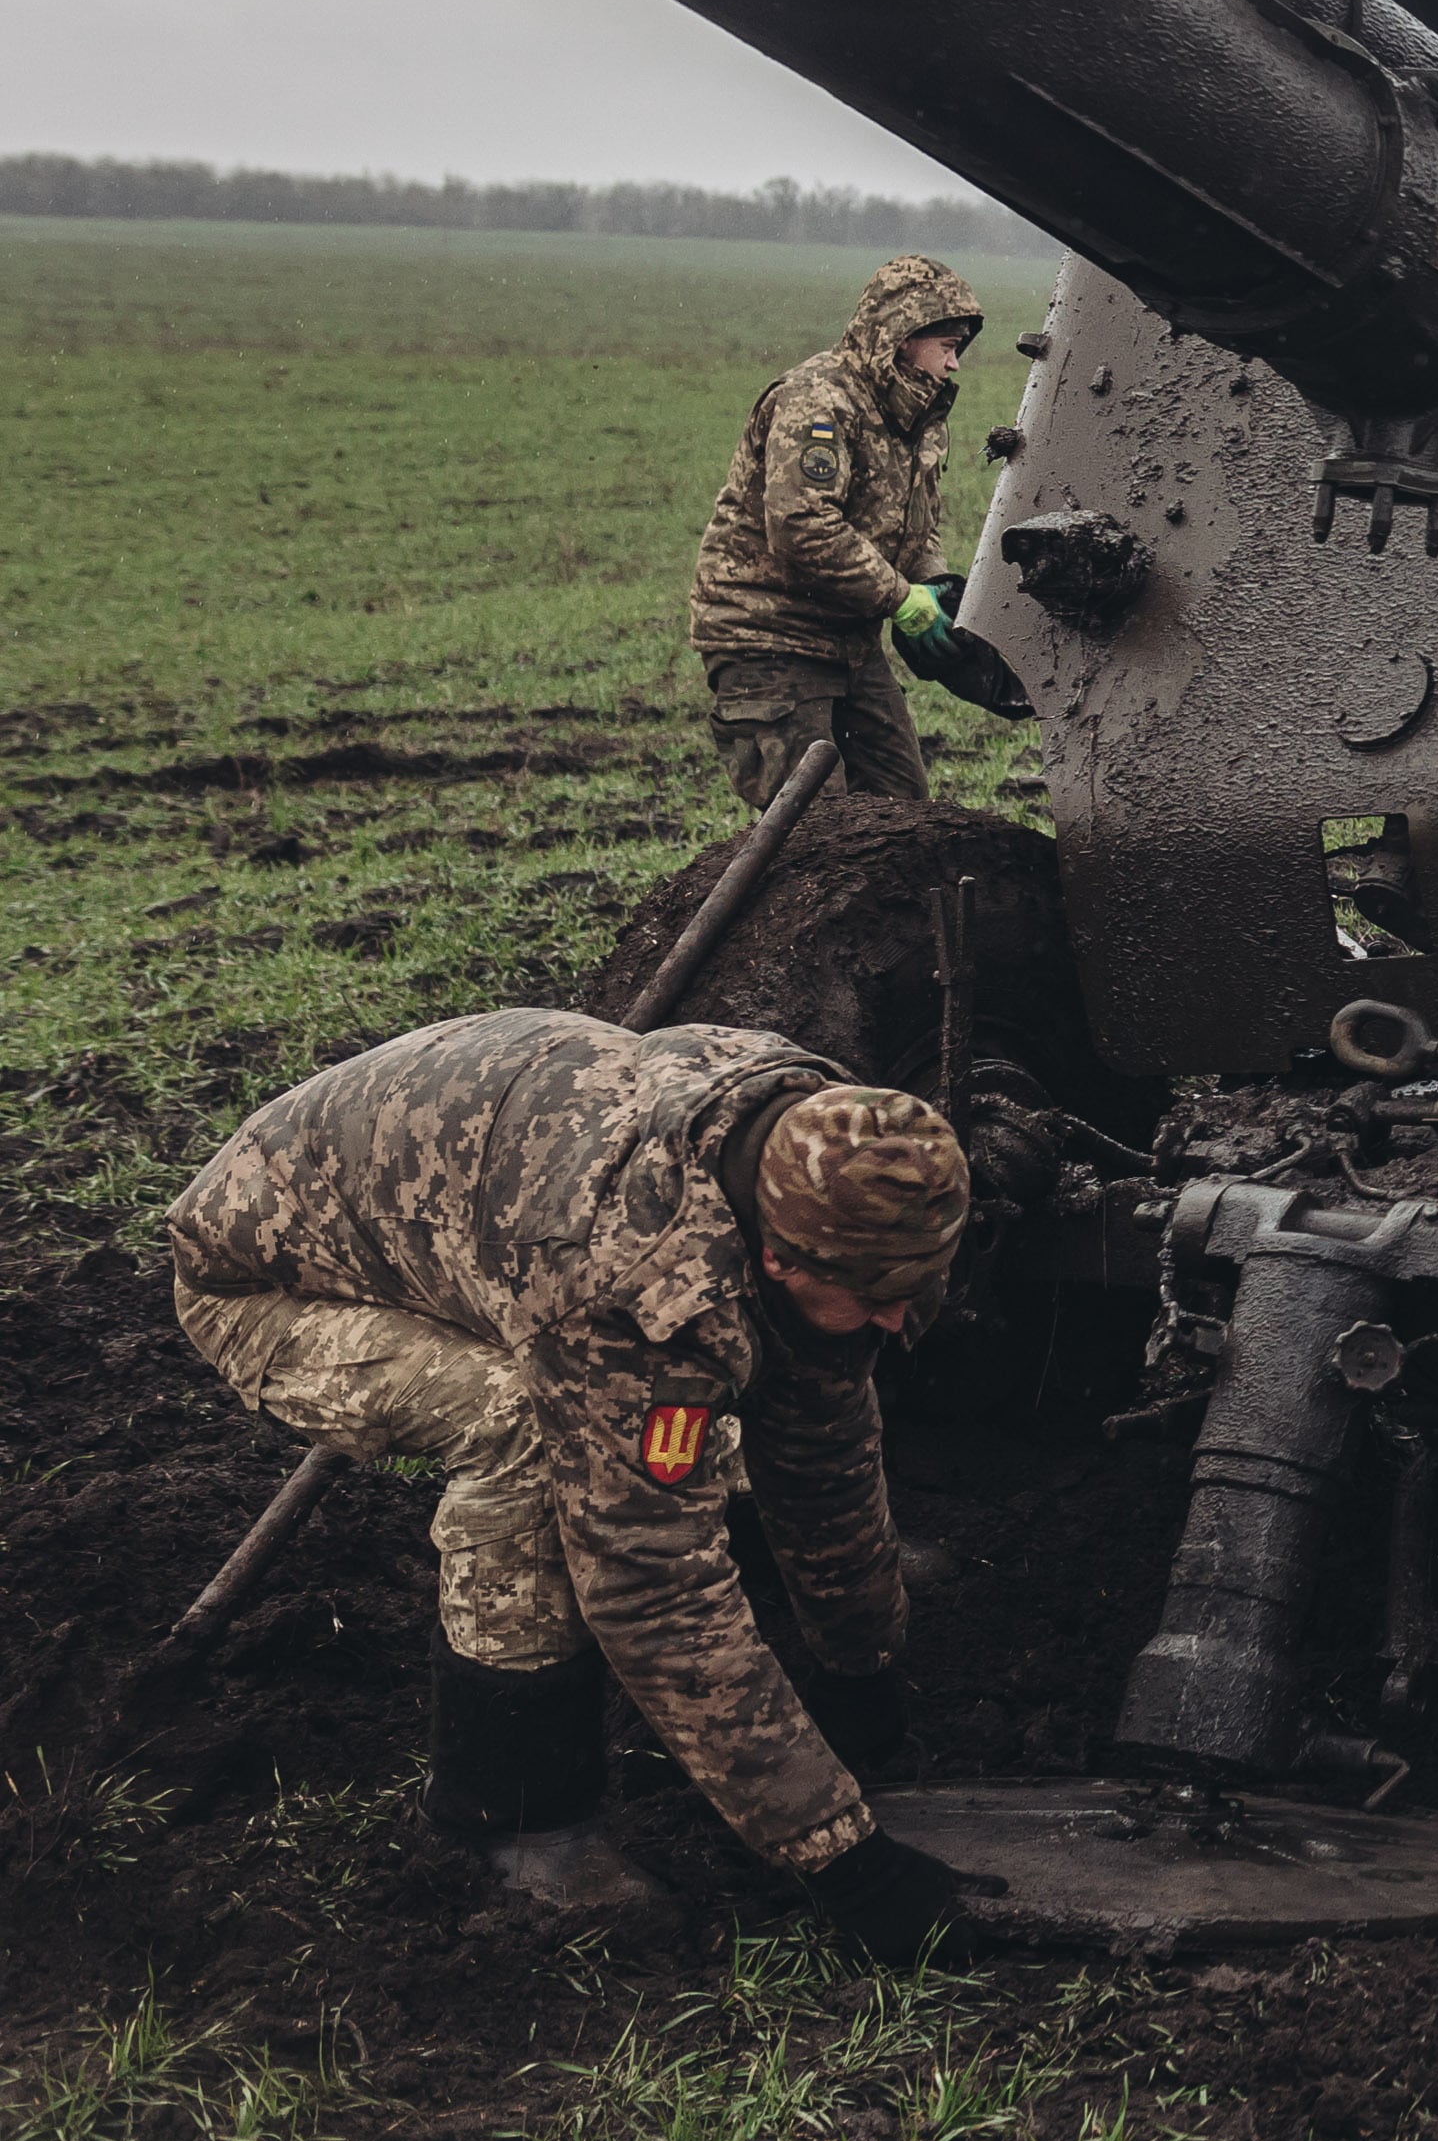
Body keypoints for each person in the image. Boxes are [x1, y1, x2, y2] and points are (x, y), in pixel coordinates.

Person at [164, 1012, 981, 1956]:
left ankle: (777, 1613)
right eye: (874, 1295)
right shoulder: (621, 1269)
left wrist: (860, 1661)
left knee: (687, 1401)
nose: (894, 1318)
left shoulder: (840, 1143)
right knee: (529, 1430)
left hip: (481, 1226)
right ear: (775, 1255)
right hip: (266, 1279)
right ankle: (513, 1821)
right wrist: (840, 1855)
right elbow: (649, 1585)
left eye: (911, 1290)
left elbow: (821, 1419)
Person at [687, 254, 988, 807]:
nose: (955, 364)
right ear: (903, 337)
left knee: (904, 815)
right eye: (946, 346)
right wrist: (901, 598)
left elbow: (915, 530)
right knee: (815, 836)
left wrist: (936, 589)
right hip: (767, 640)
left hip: (847, 641)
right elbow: (801, 525)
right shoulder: (819, 400)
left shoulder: (916, 417)